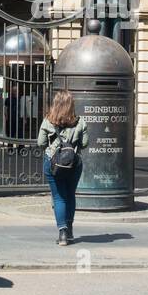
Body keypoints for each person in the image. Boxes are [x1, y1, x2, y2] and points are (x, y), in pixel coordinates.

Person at [37, 89, 89, 246]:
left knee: (59, 196)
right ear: (71, 105)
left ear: (55, 104)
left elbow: (40, 143)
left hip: (53, 164)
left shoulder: (48, 121)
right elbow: (85, 144)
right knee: (70, 195)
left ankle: (63, 234)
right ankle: (70, 230)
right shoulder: (80, 122)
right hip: (74, 163)